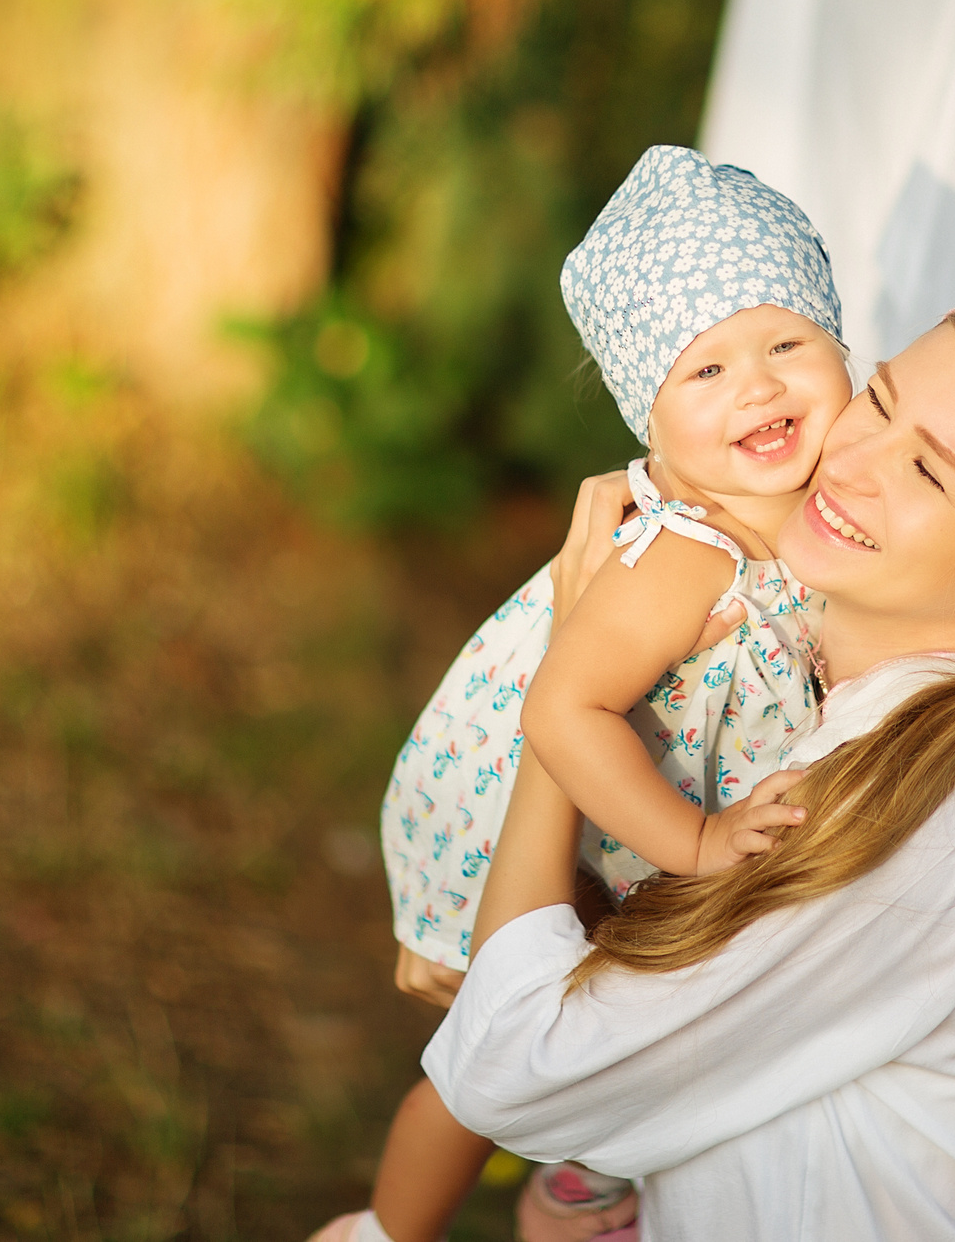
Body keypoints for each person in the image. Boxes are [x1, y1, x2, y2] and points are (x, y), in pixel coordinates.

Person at [424, 292, 955, 1242]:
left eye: (929, 472)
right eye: (881, 401)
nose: (848, 462)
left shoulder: (915, 828)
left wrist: (567, 683)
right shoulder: (852, 719)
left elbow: (512, 1063)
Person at [345, 146, 856, 1242]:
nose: (758, 384)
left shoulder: (803, 511)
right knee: (487, 1077)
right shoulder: (685, 554)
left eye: (785, 342)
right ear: (647, 418)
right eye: (704, 371)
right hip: (552, 826)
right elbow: (559, 711)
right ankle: (385, 1232)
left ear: (841, 346)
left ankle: (586, 1180)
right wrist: (703, 841)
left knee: (611, 1040)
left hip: (627, 828)